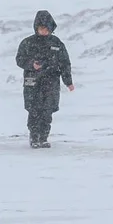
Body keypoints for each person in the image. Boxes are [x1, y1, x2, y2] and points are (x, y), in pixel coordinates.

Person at [16, 10, 75, 148]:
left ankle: (43, 137)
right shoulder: (27, 43)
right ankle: (34, 137)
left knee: (47, 111)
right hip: (33, 82)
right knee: (34, 110)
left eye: (46, 28)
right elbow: (19, 59)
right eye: (41, 28)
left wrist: (68, 82)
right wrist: (32, 65)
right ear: (36, 27)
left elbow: (65, 63)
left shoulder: (57, 43)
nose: (44, 31)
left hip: (51, 83)